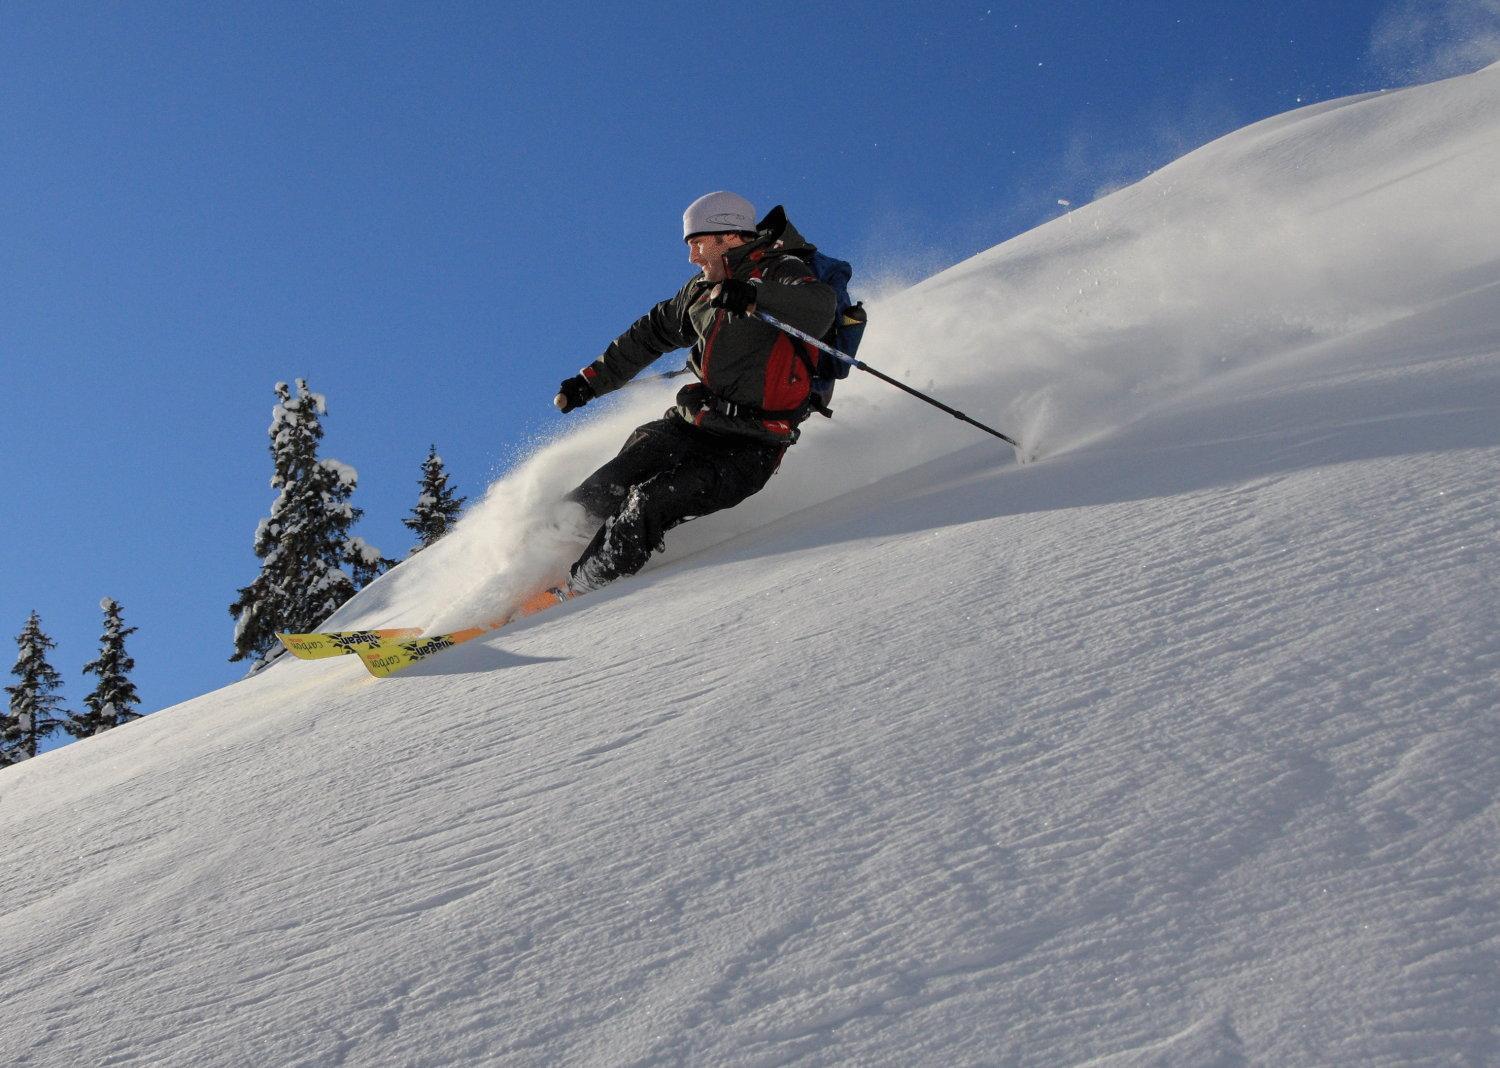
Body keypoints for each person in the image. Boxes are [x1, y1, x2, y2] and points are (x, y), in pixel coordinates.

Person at [551, 191, 837, 596]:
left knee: (651, 501)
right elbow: (650, 333)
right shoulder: (701, 291)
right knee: (607, 483)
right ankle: (544, 557)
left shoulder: (782, 269)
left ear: (730, 236)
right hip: (695, 421)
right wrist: (590, 381)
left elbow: (819, 306)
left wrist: (755, 297)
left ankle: (578, 589)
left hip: (751, 445)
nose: (693, 257)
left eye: (698, 244)